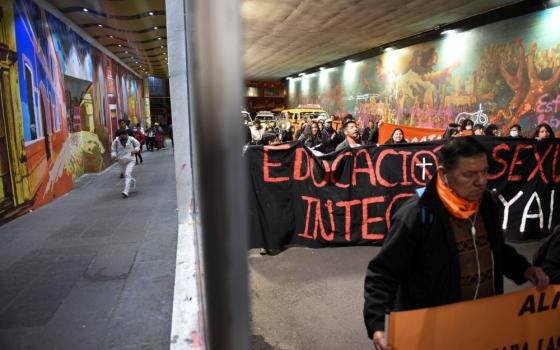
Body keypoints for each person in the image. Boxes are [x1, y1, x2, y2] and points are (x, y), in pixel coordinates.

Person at [364, 137, 549, 350]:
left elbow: (494, 247)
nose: (481, 181)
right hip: (434, 332)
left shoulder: (487, 202)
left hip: (483, 324)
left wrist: (524, 269)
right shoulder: (417, 214)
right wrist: (378, 323)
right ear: (444, 174)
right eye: (469, 174)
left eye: (484, 171)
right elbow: (382, 273)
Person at [111, 129, 141, 198]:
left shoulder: (131, 139)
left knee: (127, 174)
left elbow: (138, 145)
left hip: (131, 160)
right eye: (120, 136)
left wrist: (135, 150)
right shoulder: (116, 141)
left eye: (123, 136)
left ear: (126, 134)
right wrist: (114, 155)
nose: (122, 137)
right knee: (126, 175)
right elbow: (113, 150)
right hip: (121, 161)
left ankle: (126, 191)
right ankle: (132, 180)